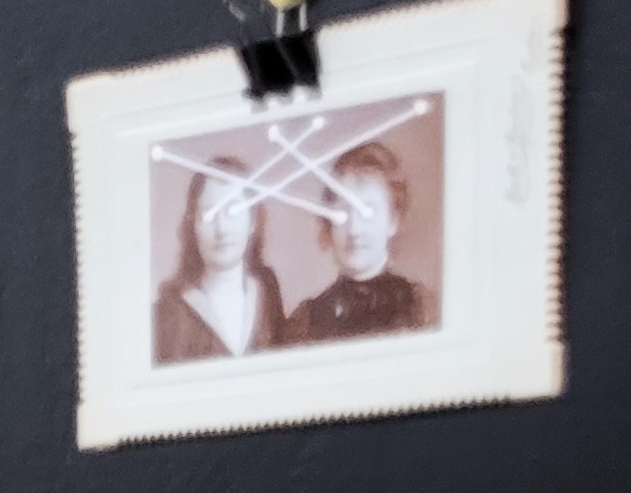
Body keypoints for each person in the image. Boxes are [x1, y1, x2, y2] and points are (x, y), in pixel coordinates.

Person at [283, 139, 428, 343]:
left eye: (368, 212)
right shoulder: (306, 321)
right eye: (342, 212)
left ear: (393, 221)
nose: (355, 229)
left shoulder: (419, 307)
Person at [154, 157, 292, 364]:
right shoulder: (169, 312)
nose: (222, 229)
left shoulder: (267, 292)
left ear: (252, 221)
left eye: (233, 211)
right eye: (209, 214)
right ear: (193, 226)